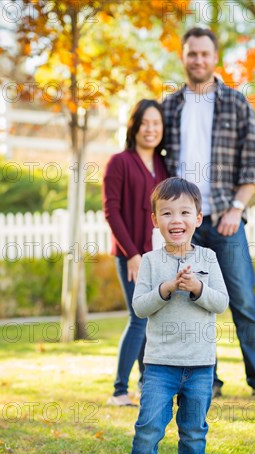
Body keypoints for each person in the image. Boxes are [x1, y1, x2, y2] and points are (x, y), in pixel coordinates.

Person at [162, 27, 255, 400]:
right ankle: (207, 381)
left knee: (242, 299)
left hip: (226, 221)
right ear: (183, 57)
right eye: (191, 54)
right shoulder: (169, 106)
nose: (198, 60)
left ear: (215, 58)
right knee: (194, 303)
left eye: (204, 54)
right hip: (185, 226)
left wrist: (237, 208)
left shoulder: (236, 103)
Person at [106, 177, 229, 454]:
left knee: (193, 429)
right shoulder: (149, 261)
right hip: (160, 364)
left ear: (198, 218)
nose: (177, 220)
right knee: (149, 426)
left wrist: (196, 289)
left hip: (200, 364)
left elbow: (221, 302)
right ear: (155, 220)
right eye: (168, 213)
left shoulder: (208, 258)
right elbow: (140, 306)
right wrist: (166, 288)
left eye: (185, 212)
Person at [103, 99, 168, 406]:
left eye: (156, 123)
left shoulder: (164, 165)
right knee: (138, 317)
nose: (151, 129)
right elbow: (111, 211)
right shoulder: (120, 162)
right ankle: (119, 390)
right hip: (131, 256)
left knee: (152, 319)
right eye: (145, 123)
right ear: (134, 126)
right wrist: (131, 254)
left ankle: (145, 385)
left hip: (156, 255)